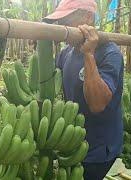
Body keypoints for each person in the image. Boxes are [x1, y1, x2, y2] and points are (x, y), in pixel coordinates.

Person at [43, 0, 124, 179]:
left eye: (67, 19)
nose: (62, 25)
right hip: (72, 139)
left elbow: (97, 104)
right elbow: (51, 85)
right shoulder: (66, 53)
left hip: (98, 148)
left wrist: (89, 54)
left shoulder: (110, 53)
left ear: (87, 17)